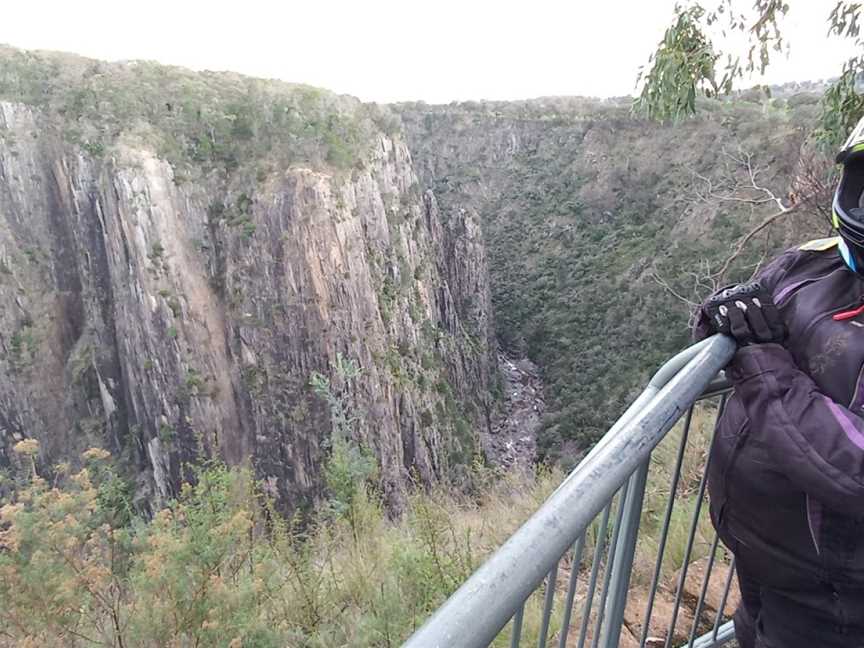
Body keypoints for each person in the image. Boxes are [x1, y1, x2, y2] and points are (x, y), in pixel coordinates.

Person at [694, 117, 864, 648]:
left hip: (833, 601)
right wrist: (719, 315)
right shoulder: (808, 265)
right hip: (761, 558)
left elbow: (854, 467)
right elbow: (741, 319)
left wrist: (759, 360)